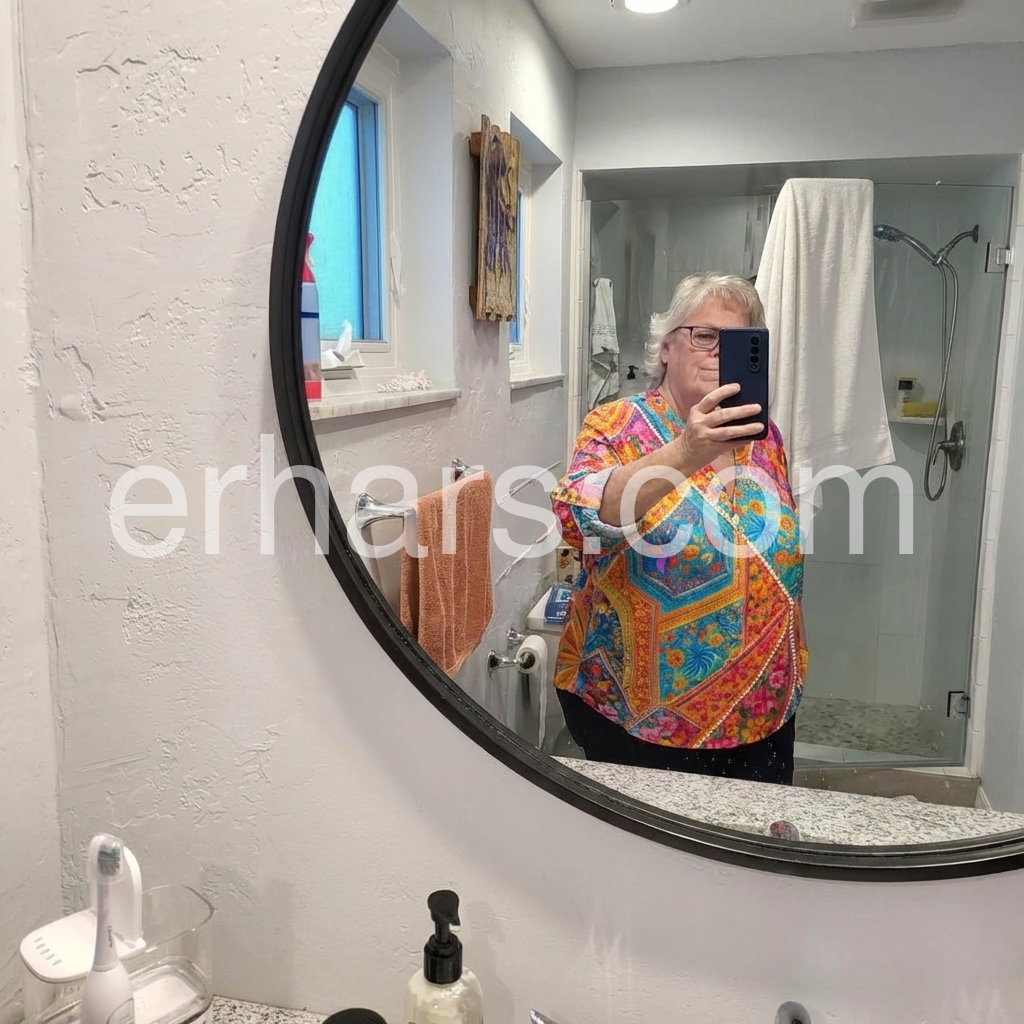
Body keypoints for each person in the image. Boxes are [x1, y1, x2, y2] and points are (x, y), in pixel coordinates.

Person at [551, 273, 807, 785]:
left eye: (736, 341)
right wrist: (687, 451)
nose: (718, 353)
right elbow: (579, 518)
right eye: (704, 335)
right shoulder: (614, 425)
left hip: (765, 703)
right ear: (666, 347)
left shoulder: (764, 436)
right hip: (645, 716)